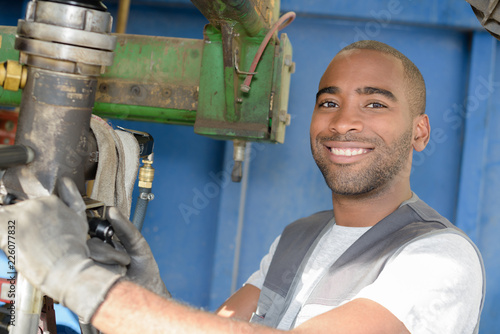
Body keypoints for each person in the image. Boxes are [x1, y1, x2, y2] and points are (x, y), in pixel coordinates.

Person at [0, 40, 484, 334]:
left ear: (419, 131)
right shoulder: (298, 237)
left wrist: (81, 281)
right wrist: (146, 291)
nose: (345, 123)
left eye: (375, 104)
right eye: (329, 103)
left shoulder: (440, 258)